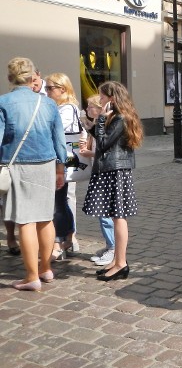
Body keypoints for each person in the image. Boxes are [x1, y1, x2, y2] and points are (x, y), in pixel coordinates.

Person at [1, 57, 67, 291]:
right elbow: (59, 140)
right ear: (32, 78)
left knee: (25, 220)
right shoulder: (48, 103)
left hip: (18, 164)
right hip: (47, 163)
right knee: (45, 218)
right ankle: (46, 268)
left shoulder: (4, 102)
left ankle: (31, 277)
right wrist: (61, 168)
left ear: (10, 78)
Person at [82, 81, 143, 281]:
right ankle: (117, 260)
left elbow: (105, 143)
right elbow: (104, 140)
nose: (99, 100)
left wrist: (99, 120)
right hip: (112, 170)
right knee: (116, 217)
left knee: (118, 217)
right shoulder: (117, 116)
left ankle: (121, 263)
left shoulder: (120, 117)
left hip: (115, 170)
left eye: (102, 96)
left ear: (112, 98)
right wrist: (91, 126)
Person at [46, 73, 83, 260]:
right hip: (62, 157)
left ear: (63, 89)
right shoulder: (59, 107)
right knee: (61, 199)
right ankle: (67, 237)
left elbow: (54, 130)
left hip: (64, 158)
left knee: (59, 200)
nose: (47, 92)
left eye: (50, 88)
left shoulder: (67, 109)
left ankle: (61, 242)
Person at [79, 95, 115, 267]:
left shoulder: (106, 126)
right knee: (101, 212)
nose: (87, 110)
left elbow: (108, 152)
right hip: (98, 171)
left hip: (105, 172)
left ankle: (113, 248)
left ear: (99, 109)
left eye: (90, 106)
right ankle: (110, 245)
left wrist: (90, 153)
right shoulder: (94, 126)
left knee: (105, 213)